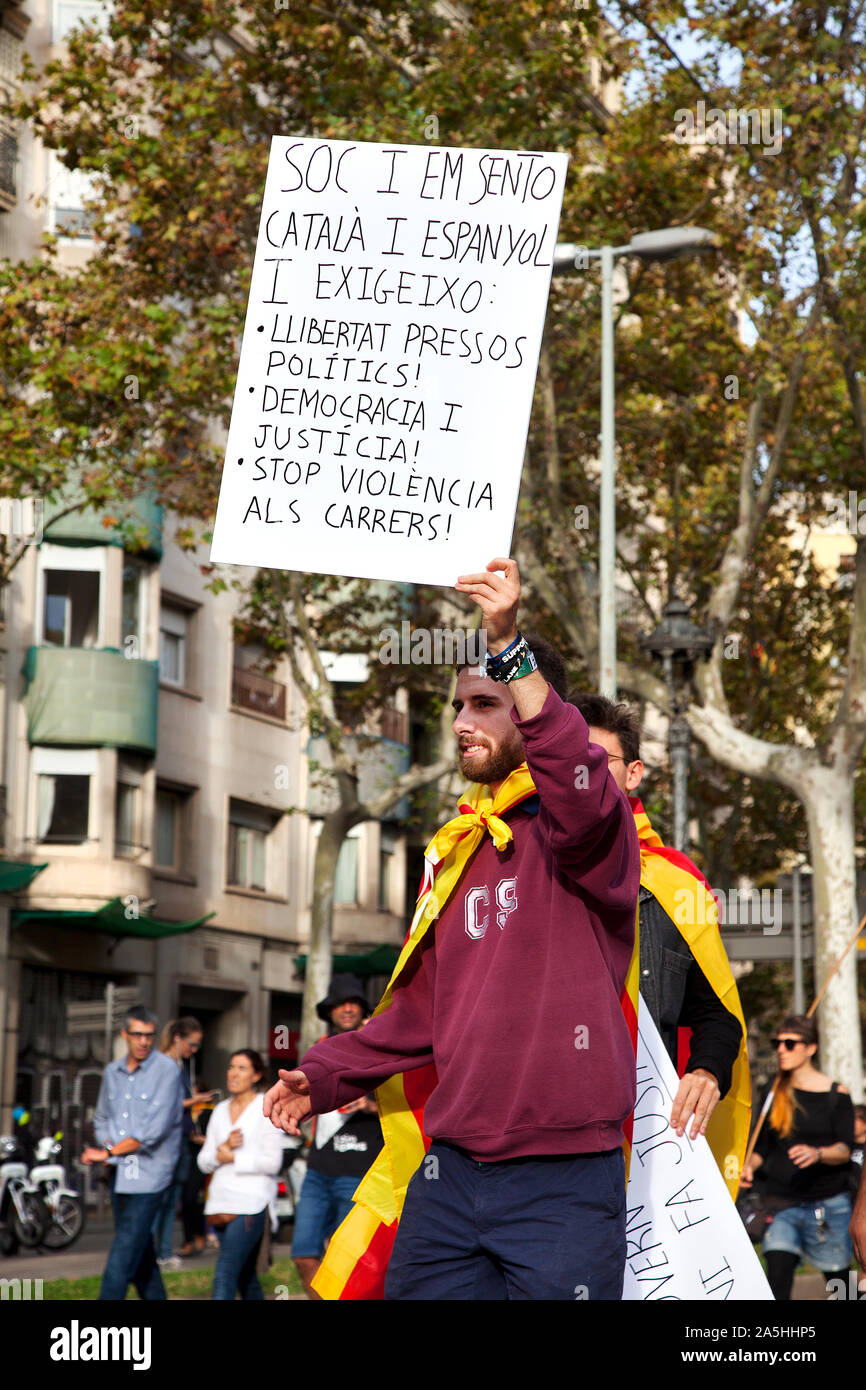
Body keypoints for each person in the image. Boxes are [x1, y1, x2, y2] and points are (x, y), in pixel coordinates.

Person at [265, 557, 641, 1301]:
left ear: (532, 711)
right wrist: (326, 1076)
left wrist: (510, 643)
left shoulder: (590, 829)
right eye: (459, 706)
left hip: (564, 1183)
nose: (463, 722)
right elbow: (417, 1015)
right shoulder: (456, 850)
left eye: (484, 703)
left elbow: (577, 783)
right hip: (450, 1177)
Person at [569, 693, 748, 1176]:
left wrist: (707, 1071)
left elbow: (717, 1014)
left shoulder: (677, 885)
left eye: (599, 760)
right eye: (569, 759)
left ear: (634, 774)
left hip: (648, 1149)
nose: (582, 772)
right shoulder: (513, 870)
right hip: (543, 1147)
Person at [739, 1015, 854, 1301]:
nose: (781, 1050)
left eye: (790, 1043)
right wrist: (749, 1167)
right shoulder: (773, 1092)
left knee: (841, 1285)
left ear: (811, 1048)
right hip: (780, 1204)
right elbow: (761, 1146)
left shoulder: (836, 1094)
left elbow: (845, 1150)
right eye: (777, 1043)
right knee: (777, 1275)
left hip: (828, 1206)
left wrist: (817, 1153)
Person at [81, 1005, 184, 1301]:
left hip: (151, 1177)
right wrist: (109, 1149)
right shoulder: (112, 1071)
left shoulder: (166, 1070)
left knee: (122, 1257)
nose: (143, 1041)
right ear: (125, 1034)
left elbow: (152, 1132)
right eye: (137, 1034)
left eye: (149, 1036)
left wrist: (108, 1151)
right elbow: (101, 1117)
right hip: (120, 1174)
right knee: (141, 1257)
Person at [291, 974, 383, 1299]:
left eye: (353, 1002)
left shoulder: (380, 1045)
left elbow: (407, 1100)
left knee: (345, 1264)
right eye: (340, 1003)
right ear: (329, 1010)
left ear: (362, 1009)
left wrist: (370, 1105)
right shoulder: (319, 1050)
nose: (346, 1008)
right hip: (318, 1169)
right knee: (303, 1256)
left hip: (360, 1171)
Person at [197, 1048, 282, 1300]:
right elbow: (203, 1161)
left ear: (256, 1075)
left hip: (251, 1203)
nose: (233, 1073)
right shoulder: (220, 1110)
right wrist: (221, 1151)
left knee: (225, 1273)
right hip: (220, 1203)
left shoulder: (265, 1107)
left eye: (242, 1068)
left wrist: (233, 1157)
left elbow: (273, 1162)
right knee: (245, 1278)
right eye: (231, 1067)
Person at [151, 1016, 213, 1269]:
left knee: (171, 1199)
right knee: (160, 1201)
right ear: (177, 1038)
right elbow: (162, 1105)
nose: (194, 1050)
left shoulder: (179, 1065)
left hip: (181, 1140)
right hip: (165, 1141)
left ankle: (163, 1251)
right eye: (192, 1043)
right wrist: (194, 1100)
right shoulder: (162, 1065)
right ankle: (154, 1252)